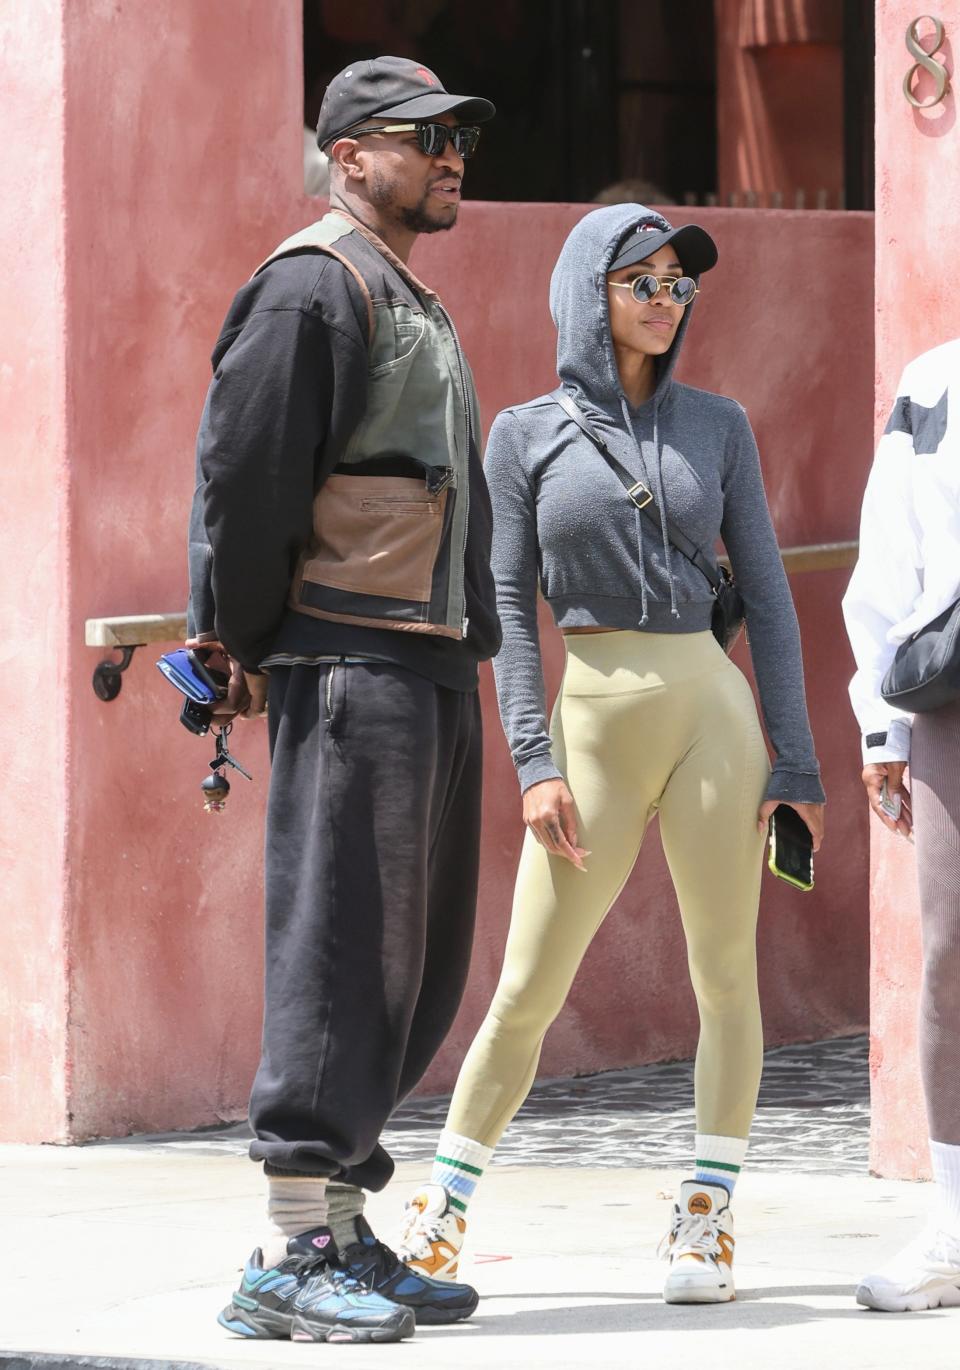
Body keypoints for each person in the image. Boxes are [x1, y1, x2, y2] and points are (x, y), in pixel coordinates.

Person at [397, 204, 826, 1305]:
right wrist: (533, 758)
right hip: (587, 722)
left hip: (711, 712)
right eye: (642, 279)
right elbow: (501, 599)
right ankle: (442, 1205)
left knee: (725, 971)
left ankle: (708, 1211)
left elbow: (769, 600)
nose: (665, 299)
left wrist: (799, 763)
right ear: (589, 290)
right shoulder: (525, 433)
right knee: (529, 982)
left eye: (679, 283)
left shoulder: (721, 425)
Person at [186, 56, 501, 1345]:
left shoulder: (403, 291)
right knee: (335, 945)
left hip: (425, 656)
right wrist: (242, 642)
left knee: (405, 962)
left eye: (458, 138)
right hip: (348, 658)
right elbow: (244, 476)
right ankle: (286, 1248)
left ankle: (346, 1227)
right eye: (425, 137)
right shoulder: (313, 285)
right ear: (351, 152)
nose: (451, 156)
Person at [843, 339, 960, 1313]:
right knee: (953, 956)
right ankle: (957, 1229)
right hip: (954, 693)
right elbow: (888, 550)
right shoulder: (936, 378)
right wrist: (880, 718)